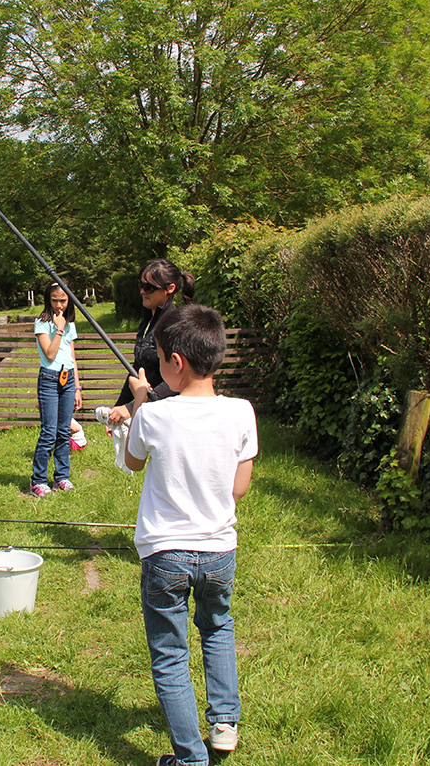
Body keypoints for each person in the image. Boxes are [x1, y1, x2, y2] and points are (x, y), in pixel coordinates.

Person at [124, 304, 257, 764]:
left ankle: (190, 758)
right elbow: (239, 487)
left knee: (169, 654)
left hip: (165, 555)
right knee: (217, 627)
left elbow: (132, 462)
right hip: (220, 551)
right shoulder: (242, 412)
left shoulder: (154, 416)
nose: (157, 368)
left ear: (175, 362)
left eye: (159, 358)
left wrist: (143, 400)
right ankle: (224, 724)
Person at [107, 258, 197, 426]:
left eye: (149, 287)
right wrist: (119, 407)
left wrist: (132, 407)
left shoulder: (174, 324)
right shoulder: (148, 321)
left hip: (171, 415)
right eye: (141, 285)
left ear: (170, 288)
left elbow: (181, 377)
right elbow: (138, 368)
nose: (142, 291)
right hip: (149, 411)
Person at [30, 281, 83, 497]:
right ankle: (38, 480)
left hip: (68, 378)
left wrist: (77, 387)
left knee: (64, 431)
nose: (59, 305)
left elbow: (72, 357)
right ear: (48, 300)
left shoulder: (70, 324)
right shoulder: (42, 323)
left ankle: (62, 477)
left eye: (63, 300)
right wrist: (58, 328)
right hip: (50, 379)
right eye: (54, 300)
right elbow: (50, 354)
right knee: (49, 432)